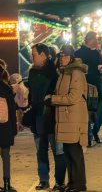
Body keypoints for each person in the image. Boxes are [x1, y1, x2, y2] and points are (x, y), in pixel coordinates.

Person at [45, 45, 88, 192]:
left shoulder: (76, 72)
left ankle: (80, 184)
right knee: (69, 152)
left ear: (70, 57)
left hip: (73, 118)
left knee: (75, 153)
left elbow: (73, 97)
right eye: (60, 56)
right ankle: (73, 183)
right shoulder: (64, 72)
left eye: (64, 56)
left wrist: (53, 99)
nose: (61, 58)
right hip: (66, 118)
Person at [27, 43, 66, 190]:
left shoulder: (54, 72)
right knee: (40, 151)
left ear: (43, 55)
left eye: (34, 55)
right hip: (37, 117)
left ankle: (59, 182)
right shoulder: (32, 72)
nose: (32, 58)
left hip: (52, 117)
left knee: (58, 150)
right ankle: (44, 180)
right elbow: (31, 93)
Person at [75, 31, 102, 146]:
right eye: (96, 39)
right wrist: (95, 69)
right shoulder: (78, 53)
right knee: (87, 113)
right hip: (86, 86)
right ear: (90, 39)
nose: (97, 41)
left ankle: (94, 132)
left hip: (98, 85)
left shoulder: (97, 53)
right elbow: (79, 70)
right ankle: (88, 137)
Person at [0, 64, 17, 192]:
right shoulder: (7, 89)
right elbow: (12, 111)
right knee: (6, 156)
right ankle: (7, 184)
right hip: (5, 126)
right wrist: (13, 129)